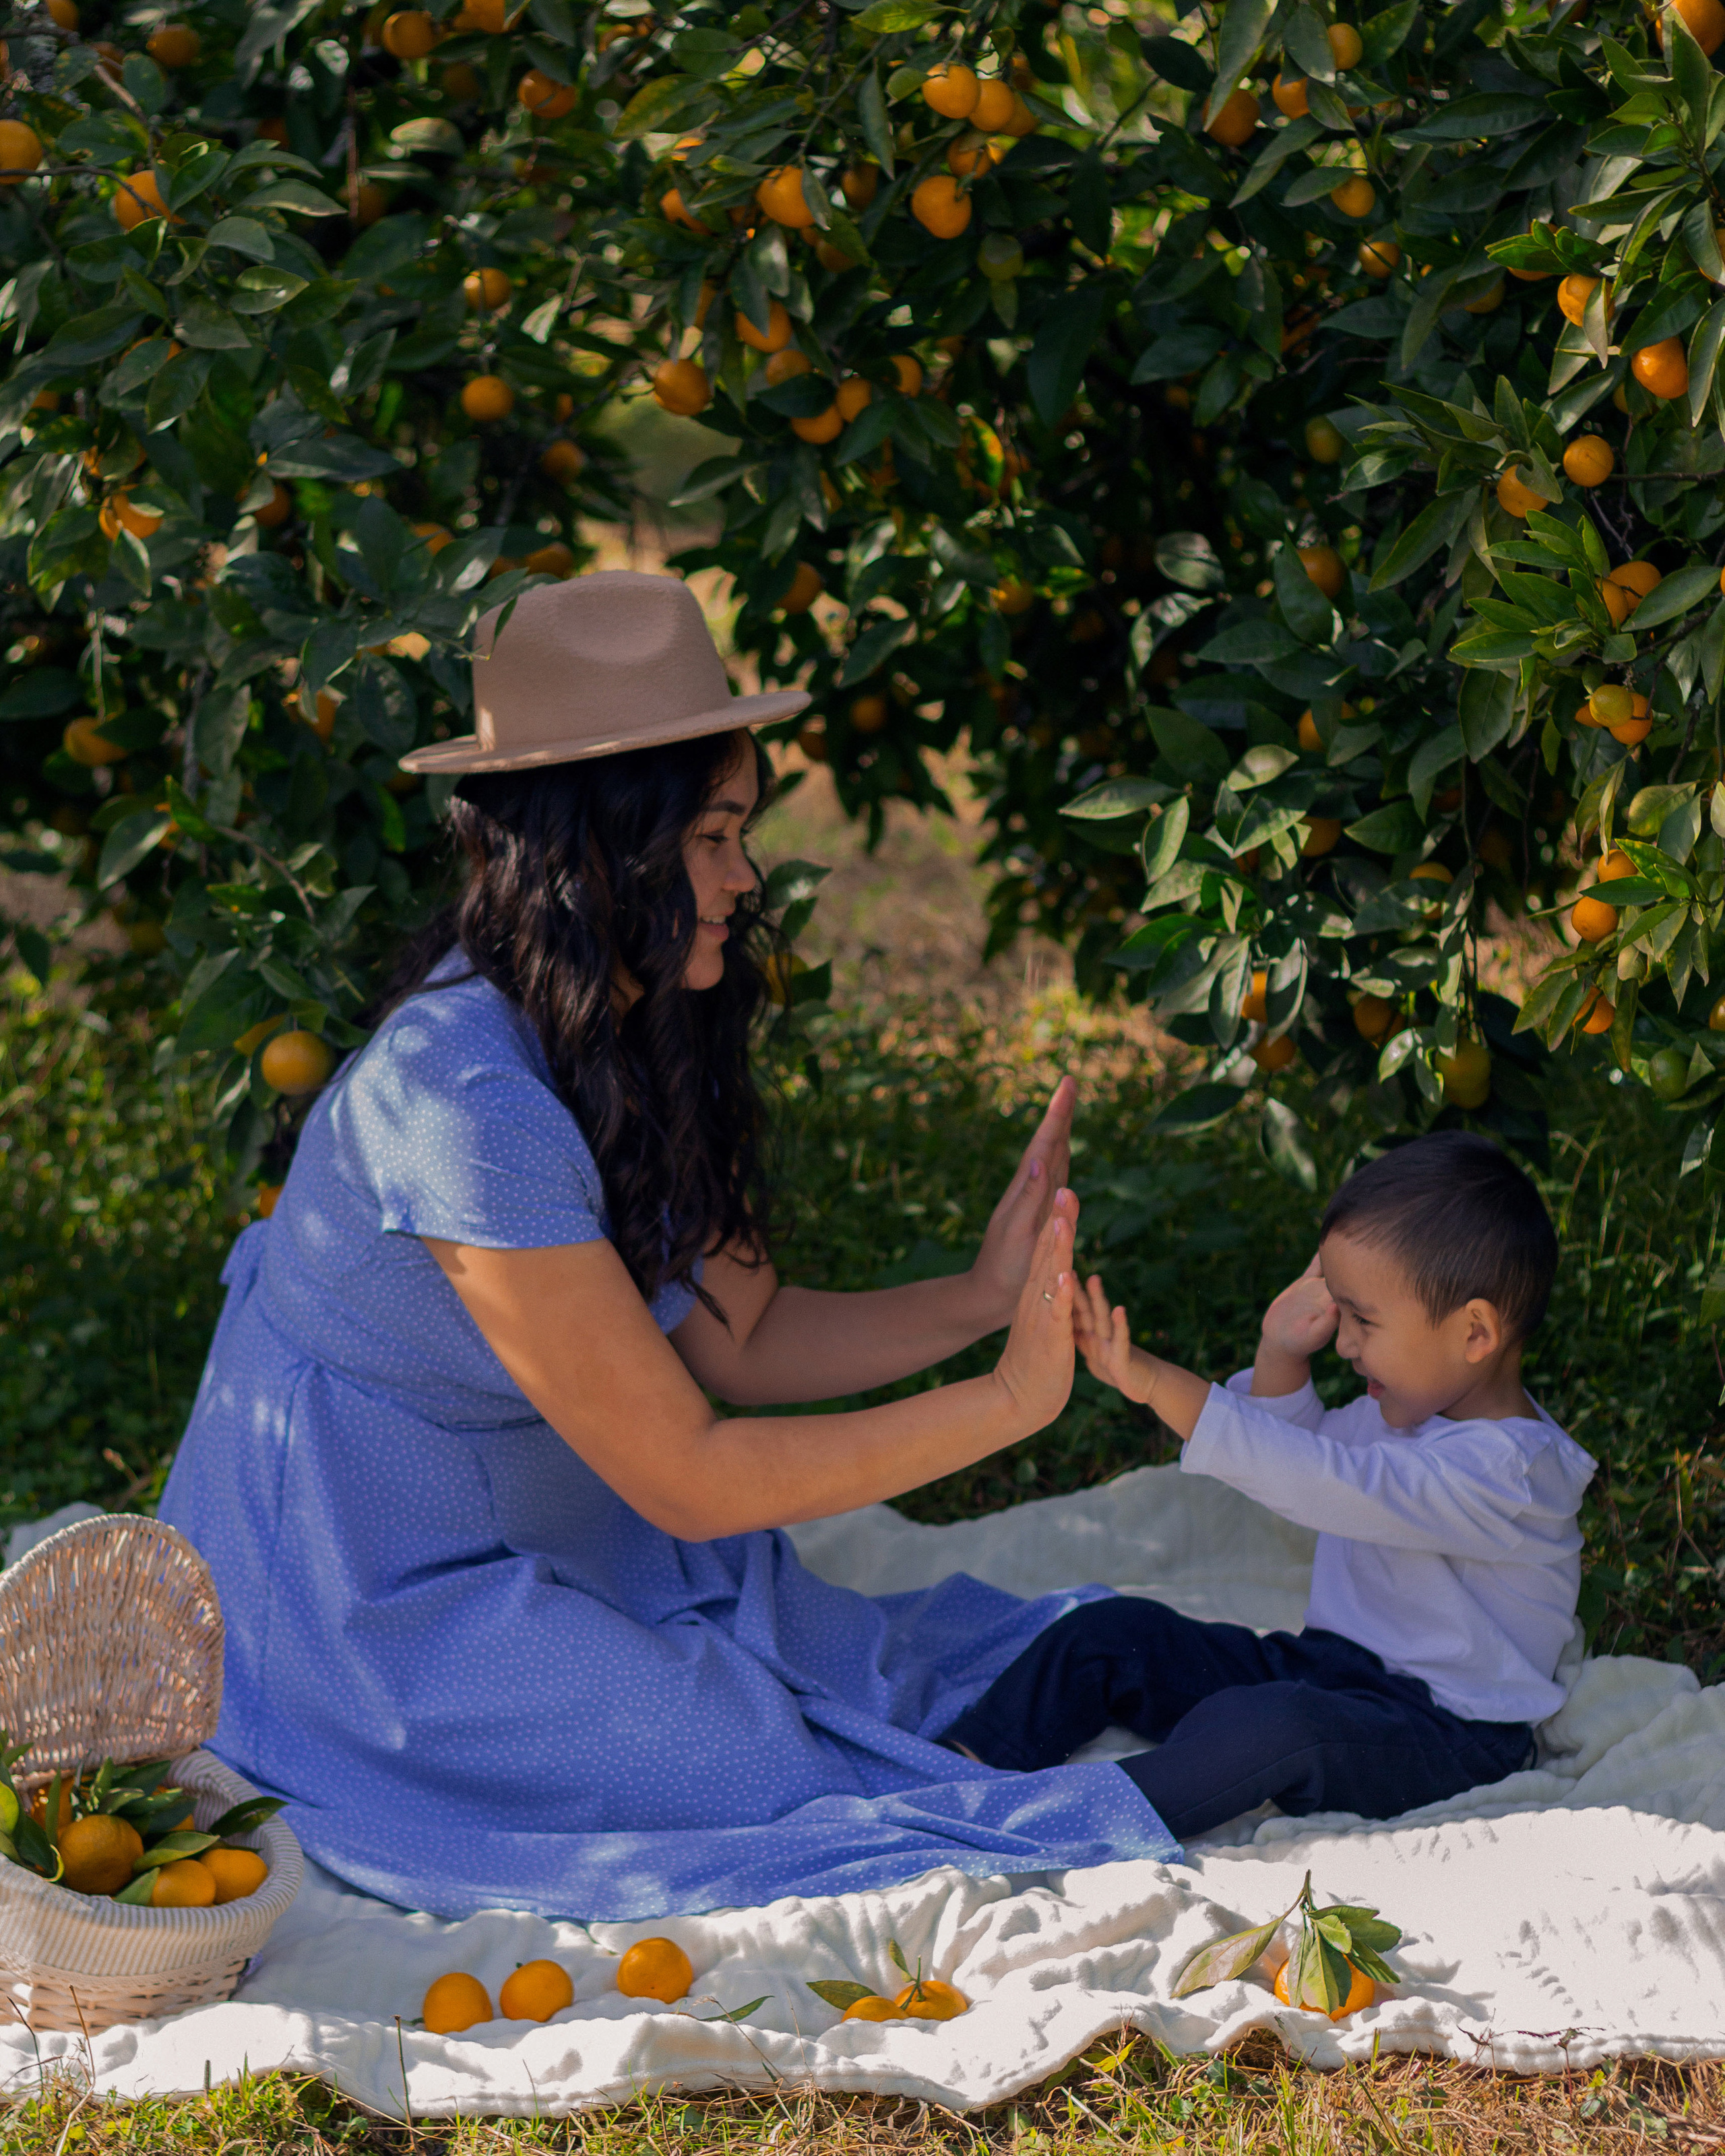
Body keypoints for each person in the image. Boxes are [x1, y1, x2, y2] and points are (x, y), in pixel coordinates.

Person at [159, 570, 1178, 1923]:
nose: (742, 875)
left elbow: (740, 1345)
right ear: (603, 848)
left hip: (541, 1512)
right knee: (744, 1759)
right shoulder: (461, 1100)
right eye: (711, 836)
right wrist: (1004, 1404)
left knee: (822, 1662)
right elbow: (690, 1475)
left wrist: (985, 1298)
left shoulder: (621, 1015)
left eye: (738, 830)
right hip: (357, 1606)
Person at [941, 1132, 1596, 1840]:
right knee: (1112, 1633)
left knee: (1266, 1727)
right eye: (1339, 1313)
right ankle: (963, 1765)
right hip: (1327, 1669)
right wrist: (1280, 1347)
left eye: (1363, 1320)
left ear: (1474, 1332)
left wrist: (1157, 1382)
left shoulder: (1510, 1471)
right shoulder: (1411, 1410)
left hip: (1448, 1734)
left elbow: (1319, 1479)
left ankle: (1063, 1822)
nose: (1343, 1343)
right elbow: (1300, 1441)